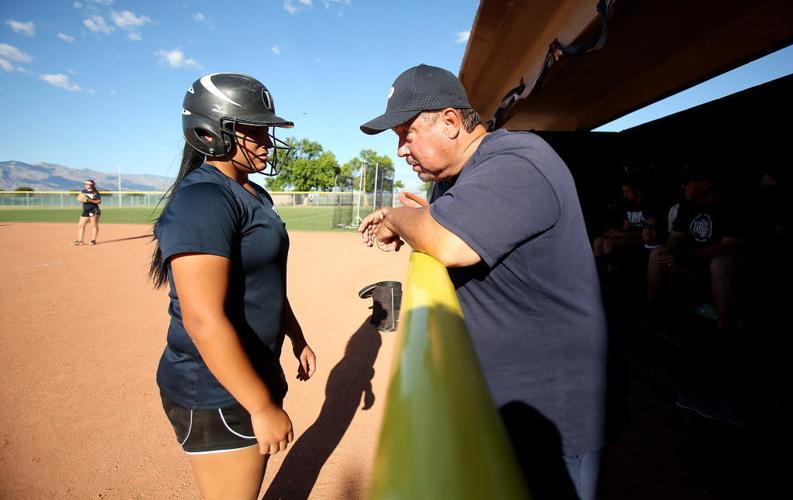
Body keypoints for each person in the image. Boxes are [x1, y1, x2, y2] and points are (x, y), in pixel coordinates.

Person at [358, 64, 607, 500]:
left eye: (406, 133)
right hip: (500, 399)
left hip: (547, 410)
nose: (400, 150)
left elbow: (451, 244)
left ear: (451, 122)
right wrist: (423, 217)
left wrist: (397, 217)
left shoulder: (517, 158)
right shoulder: (457, 178)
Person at [149, 73, 316, 500]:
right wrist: (260, 406)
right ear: (210, 131)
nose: (265, 140)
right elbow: (202, 319)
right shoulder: (203, 200)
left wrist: (296, 337)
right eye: (254, 129)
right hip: (216, 389)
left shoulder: (253, 194)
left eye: (266, 129)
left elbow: (266, 278)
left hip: (246, 374)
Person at [592, 176, 646, 273]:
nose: (625, 195)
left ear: (637, 190)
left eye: (628, 192)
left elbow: (646, 233)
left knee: (607, 243)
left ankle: (610, 274)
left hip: (640, 237)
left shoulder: (646, 205)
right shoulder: (626, 204)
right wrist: (614, 233)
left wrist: (622, 235)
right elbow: (626, 226)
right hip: (628, 235)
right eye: (624, 192)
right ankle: (597, 273)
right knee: (598, 241)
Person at [72, 179, 101, 245]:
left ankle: (93, 240)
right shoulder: (83, 191)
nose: (86, 185)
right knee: (80, 225)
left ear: (92, 185)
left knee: (94, 225)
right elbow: (80, 199)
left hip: (93, 210)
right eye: (85, 183)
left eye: (88, 184)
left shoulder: (95, 192)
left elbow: (99, 201)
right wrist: (80, 199)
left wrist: (90, 200)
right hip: (86, 210)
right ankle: (80, 241)